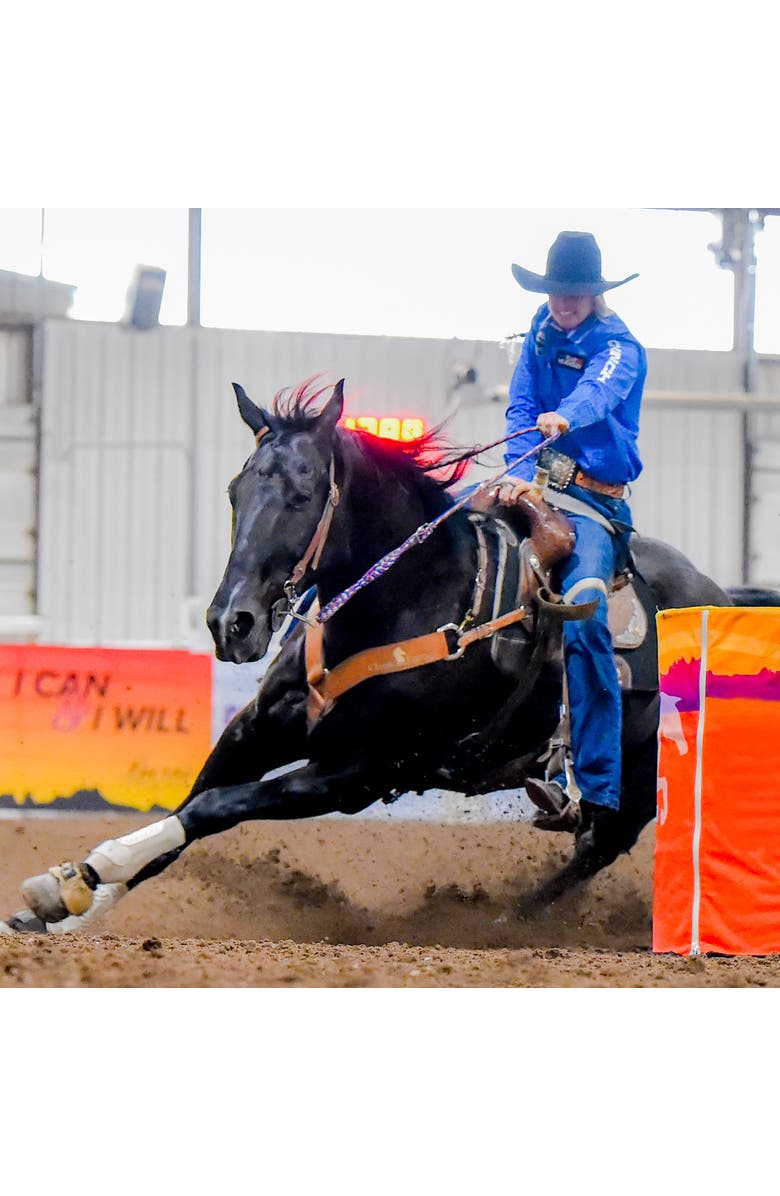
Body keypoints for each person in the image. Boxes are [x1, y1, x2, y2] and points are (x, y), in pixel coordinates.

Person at [496, 230, 647, 829]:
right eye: (557, 293)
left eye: (575, 294)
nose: (564, 304)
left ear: (594, 294)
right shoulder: (539, 328)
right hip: (538, 488)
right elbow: (521, 402)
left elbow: (599, 389)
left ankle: (596, 786)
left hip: (592, 507)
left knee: (584, 616)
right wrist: (519, 454)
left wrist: (566, 417)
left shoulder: (619, 345)